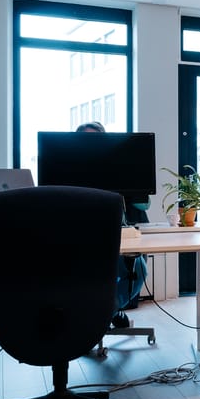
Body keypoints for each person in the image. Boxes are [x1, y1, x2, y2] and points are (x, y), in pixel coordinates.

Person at [76, 121, 149, 327]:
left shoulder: (118, 166)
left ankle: (109, 310)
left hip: (116, 233)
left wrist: (129, 186)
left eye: (94, 139)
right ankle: (97, 313)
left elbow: (144, 204)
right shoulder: (69, 167)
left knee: (139, 271)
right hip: (80, 236)